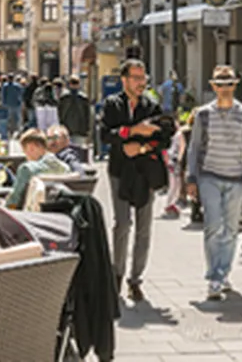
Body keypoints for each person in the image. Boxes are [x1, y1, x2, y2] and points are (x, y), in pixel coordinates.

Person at [99, 59, 174, 302]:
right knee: (122, 225)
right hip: (120, 171)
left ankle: (136, 280)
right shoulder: (113, 105)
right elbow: (104, 134)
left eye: (143, 78)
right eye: (136, 78)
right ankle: (116, 276)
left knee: (144, 229)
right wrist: (132, 132)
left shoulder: (151, 106)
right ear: (124, 80)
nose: (141, 83)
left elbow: (163, 139)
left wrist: (140, 148)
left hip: (145, 171)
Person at [186, 65, 242, 301]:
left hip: (236, 178)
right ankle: (214, 277)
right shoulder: (204, 114)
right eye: (220, 84)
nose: (225, 89)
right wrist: (191, 178)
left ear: (235, 85)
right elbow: (195, 147)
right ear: (213, 87)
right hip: (210, 175)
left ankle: (224, 272)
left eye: (229, 84)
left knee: (230, 229)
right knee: (213, 226)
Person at [7, 129, 71, 208]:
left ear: (31, 147)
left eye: (24, 150)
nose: (25, 155)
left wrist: (5, 208)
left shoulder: (27, 169)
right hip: (59, 214)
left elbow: (14, 202)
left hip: (28, 216)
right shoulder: (66, 169)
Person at [58, 75, 93, 151]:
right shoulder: (83, 98)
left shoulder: (64, 97)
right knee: (78, 149)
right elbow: (88, 115)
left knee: (66, 150)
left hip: (66, 128)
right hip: (80, 128)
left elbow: (59, 113)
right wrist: (88, 129)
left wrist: (60, 125)